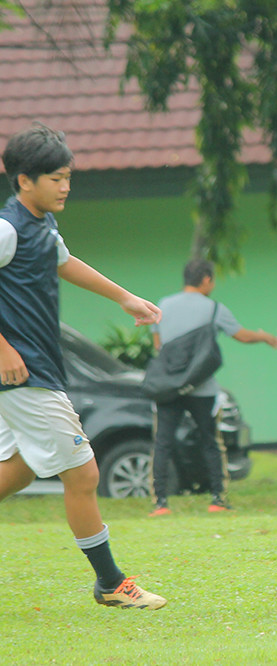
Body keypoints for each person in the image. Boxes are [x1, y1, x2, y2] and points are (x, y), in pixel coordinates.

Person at [0, 123, 166, 609]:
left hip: (33, 371)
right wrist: (3, 348)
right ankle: (111, 583)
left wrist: (126, 298)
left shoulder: (41, 226)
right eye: (55, 177)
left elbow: (64, 262)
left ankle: (109, 583)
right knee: (83, 474)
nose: (66, 185)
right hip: (24, 374)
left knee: (21, 468)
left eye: (68, 176)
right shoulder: (7, 228)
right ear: (24, 180)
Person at [150, 259, 277, 515]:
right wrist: (266, 337)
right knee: (211, 441)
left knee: (163, 442)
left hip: (168, 388)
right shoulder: (213, 308)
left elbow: (159, 346)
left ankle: (160, 504)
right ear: (207, 280)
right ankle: (216, 500)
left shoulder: (163, 305)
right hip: (202, 387)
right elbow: (242, 335)